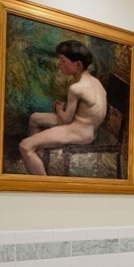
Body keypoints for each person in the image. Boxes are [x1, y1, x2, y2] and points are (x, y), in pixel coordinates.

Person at [18, 40, 108, 176]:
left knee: (24, 146)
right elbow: (86, 108)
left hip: (80, 131)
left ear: (77, 64)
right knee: (34, 118)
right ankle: (41, 163)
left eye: (63, 61)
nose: (59, 64)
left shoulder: (76, 88)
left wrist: (59, 109)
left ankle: (43, 185)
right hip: (86, 126)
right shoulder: (94, 81)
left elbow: (65, 121)